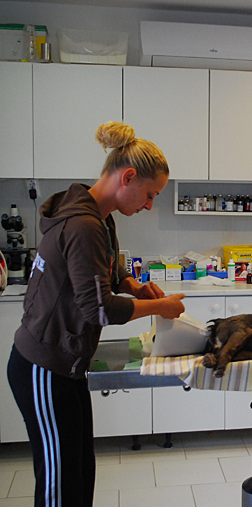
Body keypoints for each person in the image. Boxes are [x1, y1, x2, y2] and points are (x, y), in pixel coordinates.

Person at [7, 121, 186, 507]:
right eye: (150, 195)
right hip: (43, 366)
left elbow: (104, 269)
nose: (149, 205)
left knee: (79, 472)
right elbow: (99, 308)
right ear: (128, 177)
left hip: (67, 365)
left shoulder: (99, 217)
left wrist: (131, 285)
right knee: (60, 484)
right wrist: (159, 306)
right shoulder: (83, 224)